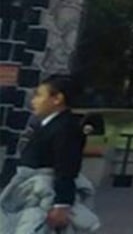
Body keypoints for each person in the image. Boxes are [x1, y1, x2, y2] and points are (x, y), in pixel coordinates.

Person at [0, 74, 100, 233]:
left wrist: (62, 204)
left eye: (39, 95)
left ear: (57, 98)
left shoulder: (66, 128)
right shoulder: (49, 125)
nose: (33, 101)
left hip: (45, 196)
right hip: (31, 194)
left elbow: (66, 167)